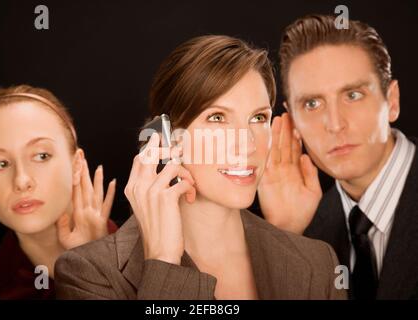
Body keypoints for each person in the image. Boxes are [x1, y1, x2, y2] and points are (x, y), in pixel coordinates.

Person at [54, 35, 346, 300]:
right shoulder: (89, 273)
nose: (247, 145)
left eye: (258, 118)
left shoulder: (318, 263)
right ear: (165, 137)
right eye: (217, 118)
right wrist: (163, 262)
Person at [258, 15, 417, 299]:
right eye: (312, 103)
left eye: (353, 95)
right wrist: (288, 237)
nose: (334, 124)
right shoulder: (306, 229)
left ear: (391, 102)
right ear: (292, 120)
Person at [0, 85, 118, 299]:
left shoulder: (152, 253)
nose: (21, 181)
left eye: (41, 156)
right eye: (0, 164)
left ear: (77, 165)